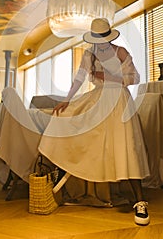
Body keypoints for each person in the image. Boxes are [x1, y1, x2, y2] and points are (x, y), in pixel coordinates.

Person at [43, 17, 150, 225]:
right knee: (64, 120)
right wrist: (66, 100)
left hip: (119, 100)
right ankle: (63, 174)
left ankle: (140, 201)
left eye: (103, 39)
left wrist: (109, 76)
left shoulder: (120, 53)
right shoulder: (88, 54)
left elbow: (134, 78)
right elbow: (79, 78)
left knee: (125, 146)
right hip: (96, 99)